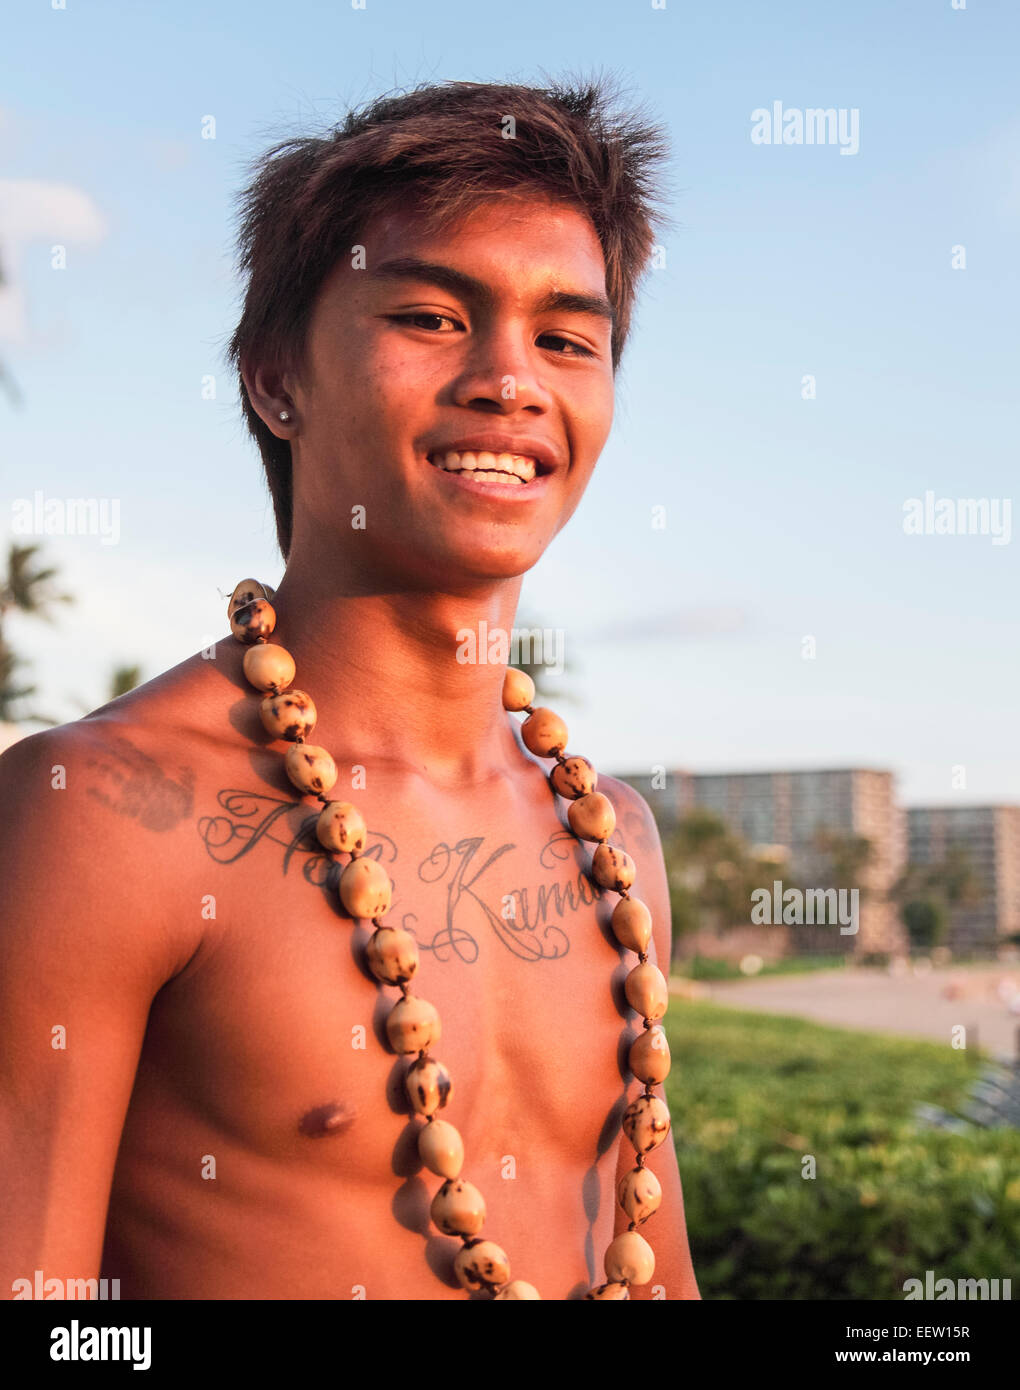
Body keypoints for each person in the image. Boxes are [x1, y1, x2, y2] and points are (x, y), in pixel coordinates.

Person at [0, 77, 700, 1300]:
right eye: (431, 316)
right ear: (278, 379)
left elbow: (660, 1276)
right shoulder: (105, 814)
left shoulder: (611, 843)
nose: (511, 380)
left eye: (567, 339)